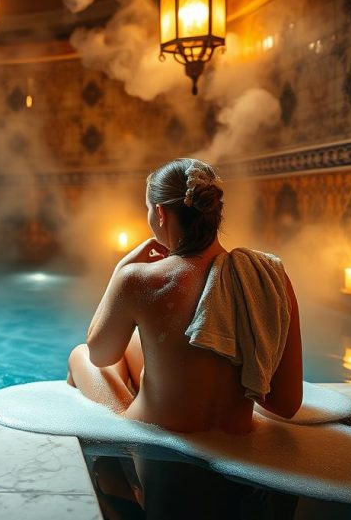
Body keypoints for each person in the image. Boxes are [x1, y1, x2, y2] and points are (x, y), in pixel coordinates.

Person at [66, 158, 303, 435]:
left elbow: (100, 354)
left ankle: (119, 418)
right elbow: (286, 404)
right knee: (134, 343)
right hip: (236, 440)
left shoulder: (139, 279)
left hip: (153, 442)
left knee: (80, 354)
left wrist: (121, 269)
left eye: (148, 210)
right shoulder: (268, 277)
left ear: (160, 213)